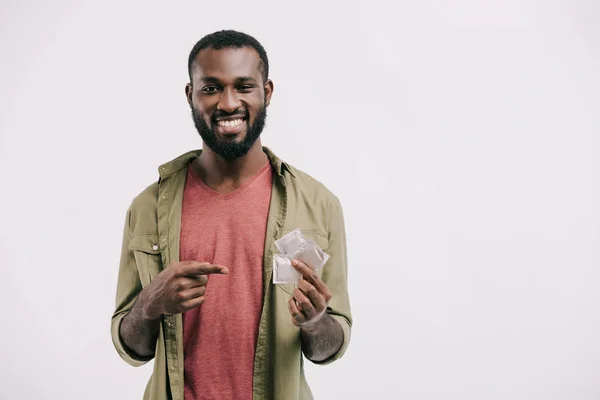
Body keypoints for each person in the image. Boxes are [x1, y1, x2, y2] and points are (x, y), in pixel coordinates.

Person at [110, 29, 352, 400]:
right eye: (211, 88)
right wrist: (149, 304)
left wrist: (316, 322)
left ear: (266, 92)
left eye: (243, 86)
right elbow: (132, 348)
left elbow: (327, 349)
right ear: (191, 95)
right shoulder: (146, 207)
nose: (227, 103)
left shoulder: (319, 205)